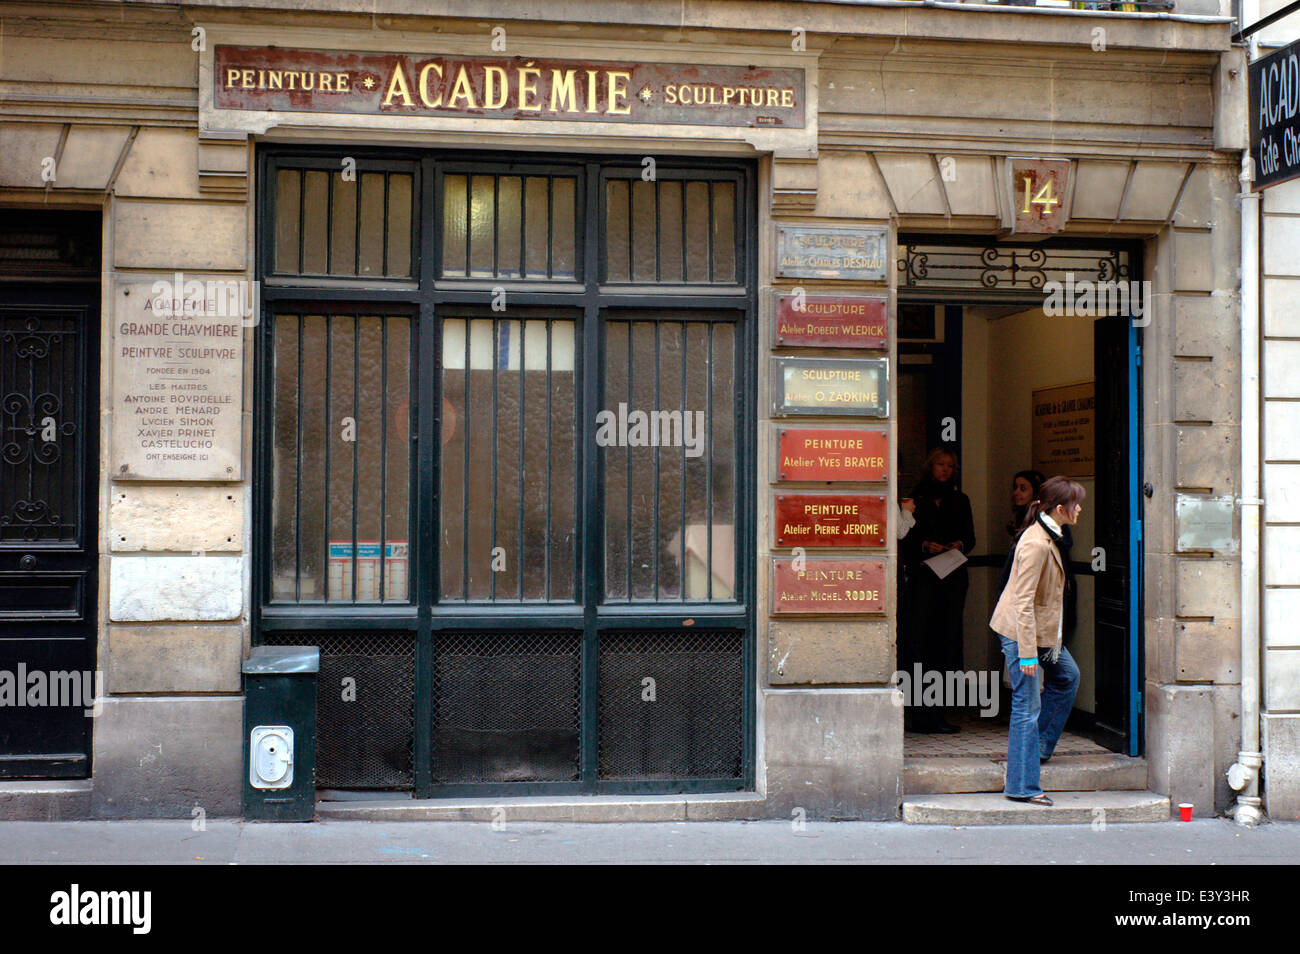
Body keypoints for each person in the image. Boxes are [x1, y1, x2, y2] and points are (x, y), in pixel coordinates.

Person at [989, 475, 1085, 805]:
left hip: (1042, 634)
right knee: (1026, 707)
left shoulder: (1050, 534)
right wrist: (1029, 655)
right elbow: (1022, 602)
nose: (1080, 509)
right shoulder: (1035, 543)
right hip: (1021, 634)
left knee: (1068, 677)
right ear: (1060, 509)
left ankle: (1037, 749)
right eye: (1076, 504)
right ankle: (1022, 786)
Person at [901, 447, 976, 733]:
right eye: (940, 464)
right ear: (929, 467)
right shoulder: (914, 498)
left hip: (952, 577)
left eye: (950, 466)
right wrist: (924, 547)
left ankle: (939, 713)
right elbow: (903, 538)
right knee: (920, 644)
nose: (945, 469)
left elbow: (970, 537)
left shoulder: (960, 500)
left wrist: (959, 544)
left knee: (945, 643)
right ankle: (919, 713)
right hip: (923, 579)